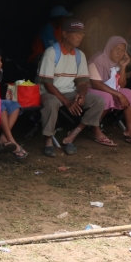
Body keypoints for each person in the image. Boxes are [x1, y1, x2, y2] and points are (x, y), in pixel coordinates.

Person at [38, 20, 109, 158]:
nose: (80, 37)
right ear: (64, 34)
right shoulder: (51, 52)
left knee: (98, 101)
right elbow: (48, 84)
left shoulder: (79, 55)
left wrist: (82, 94)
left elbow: (82, 81)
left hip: (70, 92)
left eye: (81, 34)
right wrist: (66, 102)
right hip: (50, 92)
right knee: (52, 103)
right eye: (76, 33)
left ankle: (74, 133)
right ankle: (48, 141)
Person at [88, 36, 131, 146]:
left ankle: (130, 132)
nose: (120, 53)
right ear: (109, 48)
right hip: (90, 89)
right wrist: (118, 95)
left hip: (109, 89)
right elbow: (96, 84)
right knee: (107, 96)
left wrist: (123, 67)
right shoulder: (98, 60)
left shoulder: (116, 62)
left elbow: (121, 85)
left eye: (123, 50)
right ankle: (95, 128)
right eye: (117, 49)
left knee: (129, 94)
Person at [0, 48, 27, 159]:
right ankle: (12, 141)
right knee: (1, 108)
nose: (1, 64)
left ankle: (3, 137)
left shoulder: (0, 72)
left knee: (15, 106)